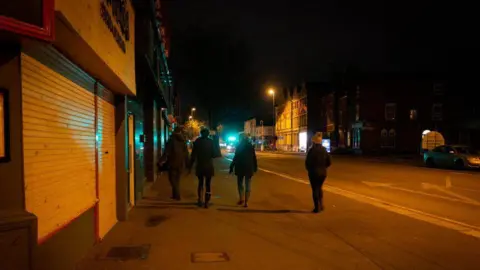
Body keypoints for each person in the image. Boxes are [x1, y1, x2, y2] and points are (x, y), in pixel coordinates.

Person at [305, 133, 331, 213]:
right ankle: (321, 205)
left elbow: (307, 163)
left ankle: (317, 208)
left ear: (313, 142)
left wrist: (309, 169)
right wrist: (324, 168)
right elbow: (329, 162)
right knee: (319, 188)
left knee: (315, 189)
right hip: (323, 173)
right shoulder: (324, 150)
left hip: (313, 173)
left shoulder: (311, 151)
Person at [189, 128, 216, 208]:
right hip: (209, 166)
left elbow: (193, 155)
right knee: (208, 184)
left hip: (200, 165)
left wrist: (190, 166)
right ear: (208, 134)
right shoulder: (211, 142)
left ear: (201, 133)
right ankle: (207, 202)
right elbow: (214, 154)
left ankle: (200, 200)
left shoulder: (197, 142)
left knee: (200, 183)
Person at [161, 126, 189, 200]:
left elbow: (167, 152)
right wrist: (187, 163)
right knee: (177, 179)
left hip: (172, 162)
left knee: (172, 179)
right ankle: (174, 195)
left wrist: (161, 161)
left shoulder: (171, 140)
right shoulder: (183, 141)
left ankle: (177, 194)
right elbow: (186, 153)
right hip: (181, 163)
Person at [229, 134, 257, 208]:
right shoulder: (250, 146)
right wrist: (255, 167)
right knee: (248, 184)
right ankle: (246, 202)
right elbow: (254, 157)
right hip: (249, 168)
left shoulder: (239, 146)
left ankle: (241, 199)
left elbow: (235, 157)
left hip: (240, 167)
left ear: (241, 139)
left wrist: (231, 166)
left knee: (240, 184)